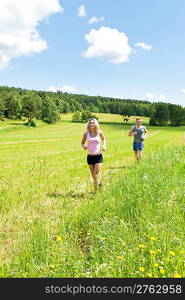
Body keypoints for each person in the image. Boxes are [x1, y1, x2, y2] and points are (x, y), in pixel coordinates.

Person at [81, 118, 106, 191]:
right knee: (94, 177)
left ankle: (96, 193)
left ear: (96, 124)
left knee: (96, 174)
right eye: (90, 123)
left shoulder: (99, 133)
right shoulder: (86, 134)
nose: (91, 124)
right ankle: (99, 184)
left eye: (93, 123)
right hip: (90, 157)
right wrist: (83, 146)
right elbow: (82, 143)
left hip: (98, 157)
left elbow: (104, 139)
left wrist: (104, 145)